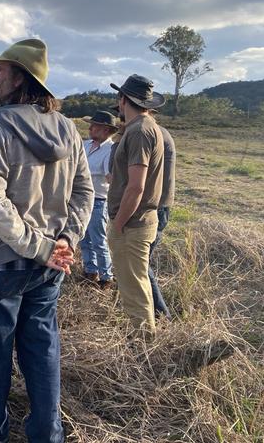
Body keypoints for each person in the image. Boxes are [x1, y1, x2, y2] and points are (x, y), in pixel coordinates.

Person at [0, 39, 94, 442]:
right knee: (42, 344)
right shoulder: (68, 129)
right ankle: (47, 431)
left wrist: (43, 246)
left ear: (20, 79)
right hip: (52, 260)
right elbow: (85, 192)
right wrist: (65, 240)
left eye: (1, 69)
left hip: (0, 258)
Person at [107, 74, 165, 338]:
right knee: (135, 283)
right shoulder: (143, 127)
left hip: (132, 224)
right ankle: (143, 337)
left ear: (122, 100)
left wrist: (118, 224)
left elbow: (136, 187)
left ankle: (143, 344)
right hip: (137, 221)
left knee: (134, 287)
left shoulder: (140, 131)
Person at [79, 110, 118, 289]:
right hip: (82, 199)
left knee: (98, 240)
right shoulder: (86, 145)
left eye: (94, 125)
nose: (90, 128)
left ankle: (106, 277)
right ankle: (90, 271)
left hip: (98, 200)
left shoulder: (110, 150)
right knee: (83, 239)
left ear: (105, 130)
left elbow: (110, 177)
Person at [148, 124, 175, 319]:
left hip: (151, 208)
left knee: (140, 263)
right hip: (159, 206)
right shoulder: (160, 133)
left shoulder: (146, 132)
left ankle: (160, 314)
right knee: (141, 262)